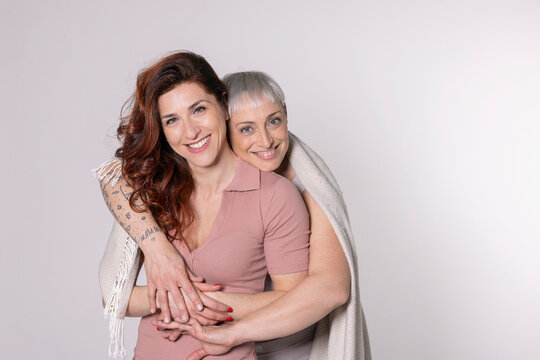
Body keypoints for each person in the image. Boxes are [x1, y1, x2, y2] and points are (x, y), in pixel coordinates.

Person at [97, 71, 371, 359]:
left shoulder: (300, 186)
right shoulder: (163, 182)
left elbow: (330, 289)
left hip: (285, 345)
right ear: (227, 123)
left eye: (274, 121)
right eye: (246, 129)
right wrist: (157, 250)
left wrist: (193, 301)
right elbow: (112, 179)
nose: (265, 141)